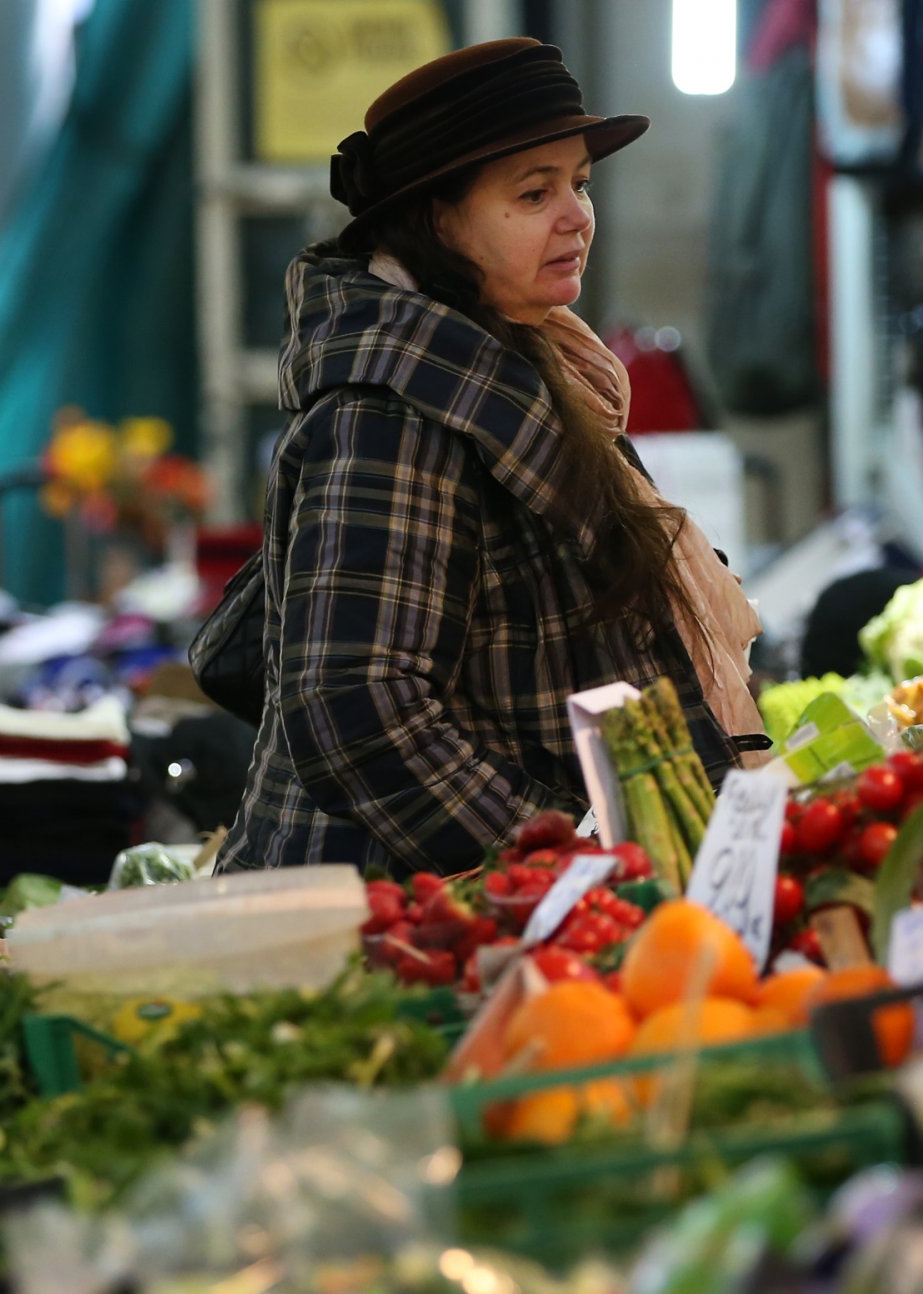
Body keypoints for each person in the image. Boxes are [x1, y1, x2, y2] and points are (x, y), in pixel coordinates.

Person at [217, 38, 766, 877]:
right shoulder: (391, 413)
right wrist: (560, 861)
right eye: (534, 192)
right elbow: (356, 704)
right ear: (438, 219)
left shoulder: (527, 364)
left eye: (579, 183)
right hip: (393, 925)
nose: (578, 215)